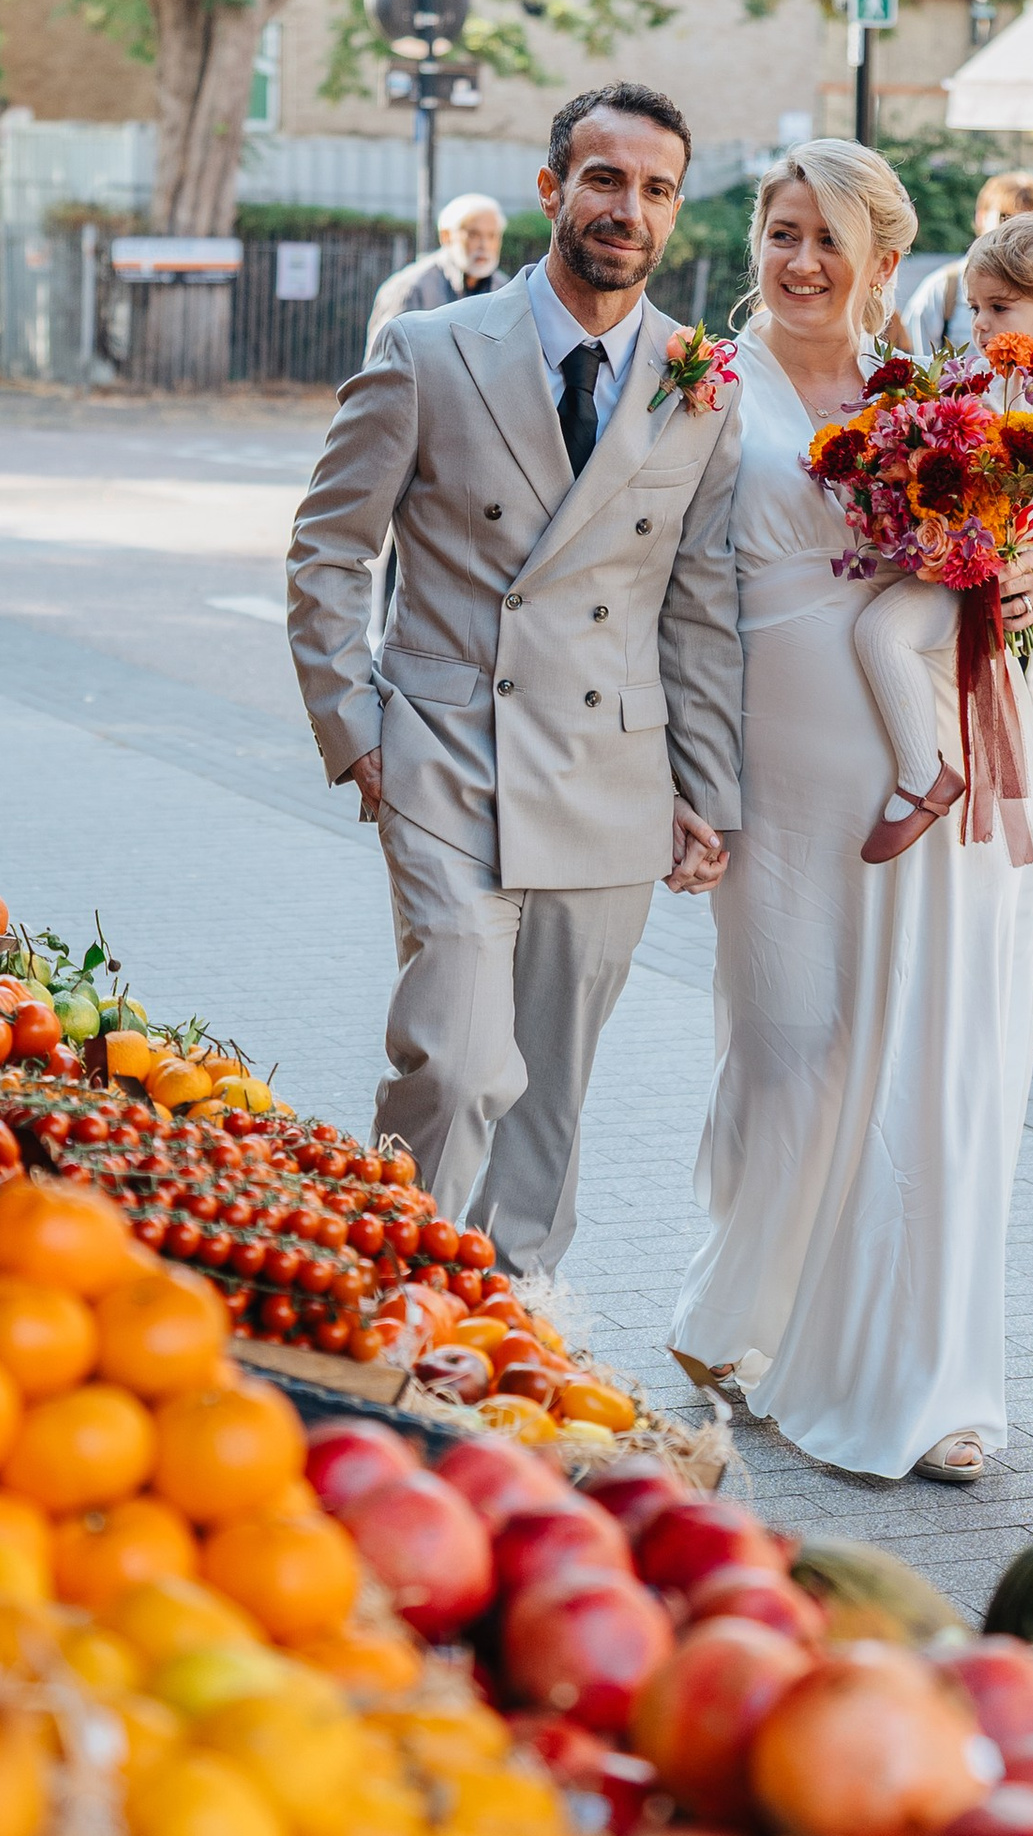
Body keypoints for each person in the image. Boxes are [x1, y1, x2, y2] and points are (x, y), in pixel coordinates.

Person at [666, 143, 1033, 1486]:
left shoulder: (931, 385)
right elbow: (642, 586)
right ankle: (737, 1309)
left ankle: (924, 1383)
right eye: (779, 231)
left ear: (883, 259)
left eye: (829, 238)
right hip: (772, 768)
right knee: (788, 1051)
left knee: (939, 1069)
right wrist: (676, 780)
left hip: (941, 758)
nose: (800, 260)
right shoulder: (701, 380)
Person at [285, 85, 741, 1277]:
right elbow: (332, 545)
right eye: (603, 179)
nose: (626, 209)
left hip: (611, 772)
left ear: (673, 213)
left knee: (550, 1093)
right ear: (553, 191)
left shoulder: (700, 375)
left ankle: (511, 1327)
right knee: (456, 1057)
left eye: (654, 190)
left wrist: (705, 788)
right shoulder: (430, 351)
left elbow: (694, 601)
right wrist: (354, 723)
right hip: (447, 749)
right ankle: (389, 1287)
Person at [849, 211, 1033, 860]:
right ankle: (926, 772)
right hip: (979, 546)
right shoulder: (991, 370)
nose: (980, 323)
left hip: (1022, 549)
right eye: (975, 306)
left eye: (1000, 307)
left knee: (881, 633)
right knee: (885, 635)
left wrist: (1023, 465)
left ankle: (925, 776)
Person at [900, 170, 1033, 356]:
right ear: (981, 217)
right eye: (1005, 217)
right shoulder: (945, 287)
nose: (1015, 232)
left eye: (1029, 222)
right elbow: (916, 364)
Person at [366, 193, 507, 344]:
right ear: (446, 236)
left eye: (492, 235)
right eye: (473, 234)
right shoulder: (411, 289)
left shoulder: (505, 290)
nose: (484, 245)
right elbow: (384, 361)